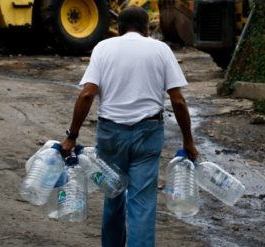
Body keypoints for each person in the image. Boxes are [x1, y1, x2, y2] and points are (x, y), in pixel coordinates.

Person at [61, 6, 198, 247]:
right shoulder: (160, 50)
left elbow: (86, 95)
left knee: (113, 195)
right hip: (148, 134)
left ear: (119, 29)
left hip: (111, 135)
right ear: (147, 29)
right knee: (142, 203)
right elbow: (177, 100)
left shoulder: (103, 48)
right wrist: (188, 141)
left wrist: (72, 136)